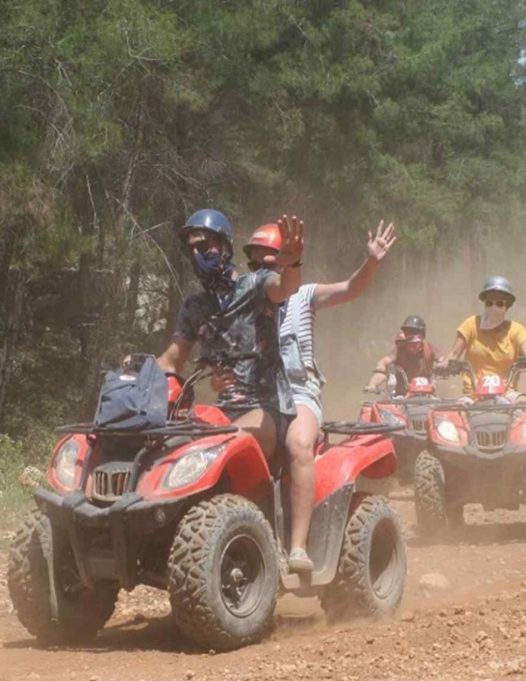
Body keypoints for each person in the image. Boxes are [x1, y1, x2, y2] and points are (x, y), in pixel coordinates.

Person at [239, 219, 397, 573]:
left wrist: (372, 261)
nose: (262, 271)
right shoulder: (244, 302)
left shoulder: (304, 295)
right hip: (256, 397)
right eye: (255, 263)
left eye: (271, 262)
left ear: (286, 261)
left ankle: (297, 547)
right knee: (226, 441)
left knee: (298, 444)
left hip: (298, 392)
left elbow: (352, 289)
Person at [156, 209, 304, 462]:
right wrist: (133, 377)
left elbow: (284, 288)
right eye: (190, 250)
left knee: (217, 446)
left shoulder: (255, 285)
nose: (196, 256)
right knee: (170, 445)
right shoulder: (195, 307)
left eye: (203, 247)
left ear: (224, 245)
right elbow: (171, 360)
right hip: (222, 412)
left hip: (267, 409)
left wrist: (291, 263)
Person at [439, 276, 526, 403]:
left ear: (507, 306)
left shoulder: (516, 330)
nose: (493, 307)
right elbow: (453, 354)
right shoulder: (471, 325)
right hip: (472, 395)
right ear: (484, 304)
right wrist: (444, 364)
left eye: (499, 303)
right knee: (453, 418)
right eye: (489, 303)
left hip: (507, 393)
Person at [365, 315, 444, 395]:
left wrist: (445, 367)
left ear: (423, 336)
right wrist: (372, 384)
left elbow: (444, 361)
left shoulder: (430, 349)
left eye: (417, 337)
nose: (413, 344)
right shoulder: (400, 349)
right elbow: (384, 363)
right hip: (401, 397)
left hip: (426, 395)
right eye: (409, 334)